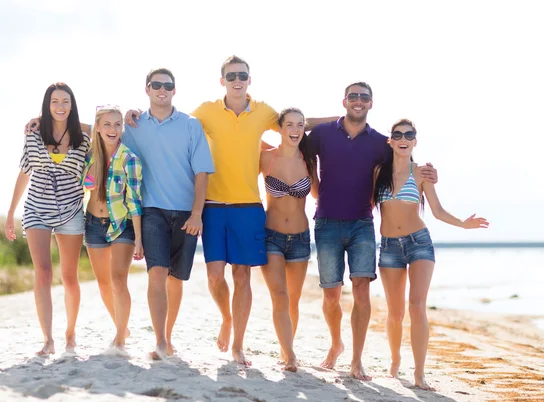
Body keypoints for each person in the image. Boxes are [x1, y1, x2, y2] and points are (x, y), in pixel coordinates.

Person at [125, 56, 334, 365]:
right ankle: (226, 317)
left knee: (242, 276)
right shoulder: (206, 112)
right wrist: (134, 114)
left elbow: (296, 123)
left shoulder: (263, 111)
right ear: (222, 80)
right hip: (212, 206)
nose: (238, 80)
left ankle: (238, 345)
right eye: (231, 75)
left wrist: (342, 122)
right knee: (213, 277)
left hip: (248, 206)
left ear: (250, 80)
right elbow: (172, 119)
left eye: (243, 75)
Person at [308, 82, 438, 379]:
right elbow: (295, 129)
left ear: (372, 103)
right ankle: (336, 344)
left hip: (362, 225)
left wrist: (428, 174)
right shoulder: (324, 133)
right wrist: (317, 190)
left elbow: (402, 165)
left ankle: (356, 360)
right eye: (353, 97)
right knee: (330, 295)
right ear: (344, 101)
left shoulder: (381, 142)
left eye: (364, 97)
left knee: (362, 291)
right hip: (326, 221)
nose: (358, 101)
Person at [373, 118, 488, 390]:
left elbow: (436, 210)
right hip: (389, 245)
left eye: (409, 134)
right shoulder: (378, 171)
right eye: (398, 134)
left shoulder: (422, 173)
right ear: (390, 140)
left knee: (417, 306)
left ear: (414, 141)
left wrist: (462, 223)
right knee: (395, 312)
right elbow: (364, 203)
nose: (403, 138)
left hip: (418, 243)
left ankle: (419, 374)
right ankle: (395, 360)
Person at [122, 68, 214, 359]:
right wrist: (46, 123)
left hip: (186, 213)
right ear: (147, 88)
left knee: (176, 279)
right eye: (156, 84)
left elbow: (202, 172)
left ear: (175, 90)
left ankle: (168, 337)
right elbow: (104, 132)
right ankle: (160, 341)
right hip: (152, 211)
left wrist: (197, 214)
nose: (162, 89)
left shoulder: (190, 125)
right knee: (157, 274)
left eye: (168, 85)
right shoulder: (134, 125)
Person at [5, 82, 90, 357]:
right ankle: (48, 339)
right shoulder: (33, 135)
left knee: (69, 277)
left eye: (66, 101)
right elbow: (24, 172)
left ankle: (70, 333)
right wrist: (10, 213)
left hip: (71, 209)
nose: (60, 106)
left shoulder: (83, 139)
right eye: (55, 101)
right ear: (47, 104)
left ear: (72, 105)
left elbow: (105, 128)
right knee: (43, 272)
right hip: (37, 209)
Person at [82, 105, 143, 356]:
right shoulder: (88, 156)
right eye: (107, 124)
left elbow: (135, 201)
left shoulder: (130, 159)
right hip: (93, 224)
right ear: (97, 127)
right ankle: (122, 327)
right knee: (104, 284)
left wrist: (139, 238)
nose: (112, 129)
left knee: (119, 280)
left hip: (122, 225)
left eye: (117, 124)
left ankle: (119, 339)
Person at [259, 107, 317, 372]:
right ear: (279, 128)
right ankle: (290, 355)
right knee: (280, 296)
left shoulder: (309, 160)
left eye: (300, 126)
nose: (295, 130)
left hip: (301, 238)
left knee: (292, 299)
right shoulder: (265, 157)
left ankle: (286, 348)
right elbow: (241, 133)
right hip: (270, 236)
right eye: (289, 125)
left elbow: (320, 194)